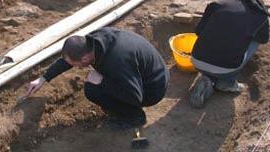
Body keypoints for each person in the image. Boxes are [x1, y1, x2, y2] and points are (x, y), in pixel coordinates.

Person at [25, 27, 169, 128]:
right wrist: (44, 78)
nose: (73, 66)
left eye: (74, 64)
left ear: (85, 59)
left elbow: (135, 96)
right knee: (94, 84)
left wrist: (103, 81)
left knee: (92, 89)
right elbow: (70, 59)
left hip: (152, 89)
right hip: (143, 75)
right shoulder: (93, 41)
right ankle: (122, 107)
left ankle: (135, 117)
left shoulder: (116, 61)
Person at [189, 0, 270, 108]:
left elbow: (198, 30)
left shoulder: (219, 3)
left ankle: (207, 78)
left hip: (197, 59)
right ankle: (226, 82)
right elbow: (264, 39)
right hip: (227, 68)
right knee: (255, 40)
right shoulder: (260, 15)